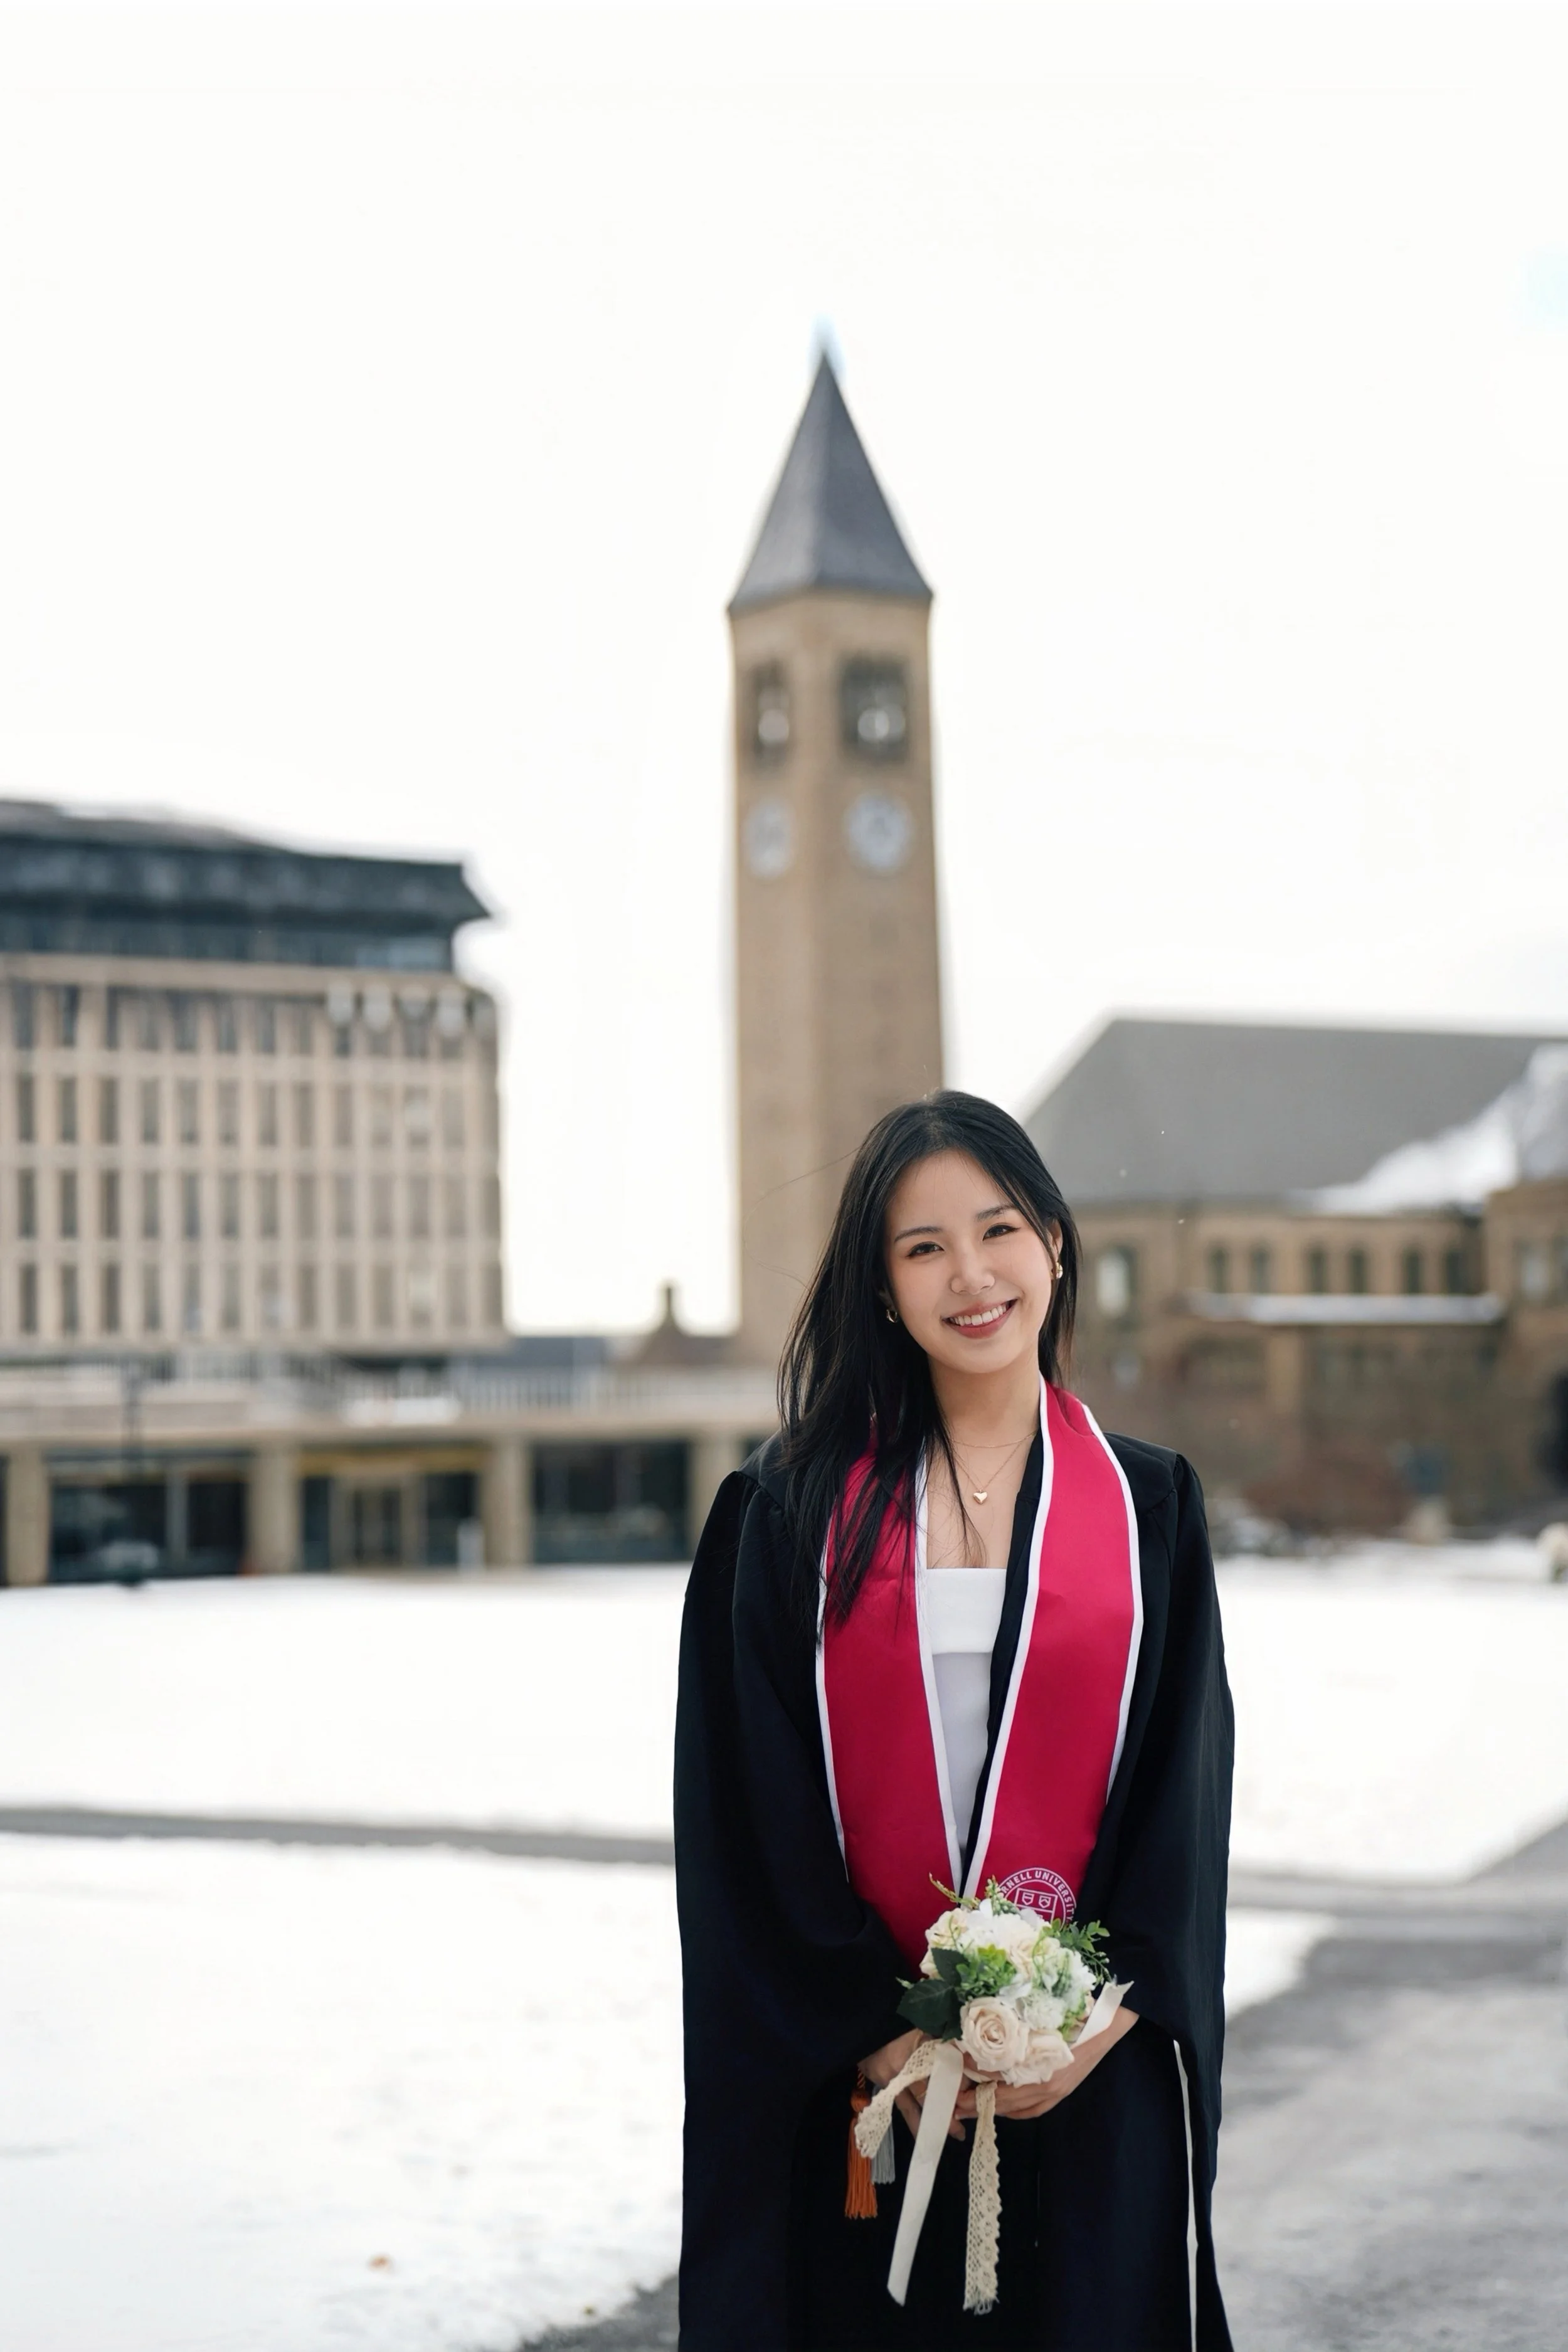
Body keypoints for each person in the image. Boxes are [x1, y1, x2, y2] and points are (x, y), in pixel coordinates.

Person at [675, 1092, 1234, 2351]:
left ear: (1051, 1242)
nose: (970, 1277)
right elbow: (740, 1808)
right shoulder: (783, 1516)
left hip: (1082, 2077)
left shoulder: (1149, 1507)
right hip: (859, 2087)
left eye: (996, 1232)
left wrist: (1086, 2028)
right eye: (921, 1247)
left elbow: (1180, 1793)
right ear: (879, 1286)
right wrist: (880, 2037)